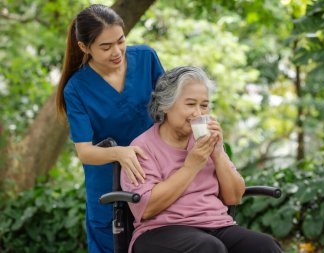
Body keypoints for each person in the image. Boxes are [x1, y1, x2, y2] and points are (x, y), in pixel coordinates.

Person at [120, 66, 283, 253]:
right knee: (209, 247)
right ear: (165, 104)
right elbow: (147, 208)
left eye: (204, 106)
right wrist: (191, 166)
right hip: (160, 231)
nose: (198, 113)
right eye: (190, 104)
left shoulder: (206, 141)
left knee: (264, 246)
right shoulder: (142, 147)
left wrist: (218, 153)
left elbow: (234, 196)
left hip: (217, 225)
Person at [55, 4, 164, 252]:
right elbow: (85, 151)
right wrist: (120, 153)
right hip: (108, 185)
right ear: (85, 47)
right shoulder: (76, 89)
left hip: (154, 176)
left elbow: (172, 109)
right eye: (105, 47)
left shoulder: (146, 59)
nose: (117, 52)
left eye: (121, 41)